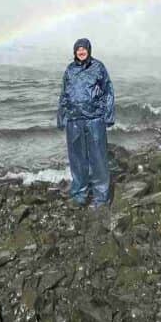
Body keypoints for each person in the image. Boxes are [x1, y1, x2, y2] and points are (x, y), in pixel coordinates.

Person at [56, 37, 115, 208]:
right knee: (77, 159)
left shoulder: (98, 67)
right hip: (74, 120)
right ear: (75, 52)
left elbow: (108, 91)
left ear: (89, 50)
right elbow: (64, 94)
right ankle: (80, 193)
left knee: (98, 158)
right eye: (78, 49)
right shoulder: (70, 70)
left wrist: (108, 115)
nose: (81, 52)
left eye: (84, 49)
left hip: (94, 119)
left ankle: (101, 197)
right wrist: (61, 116)